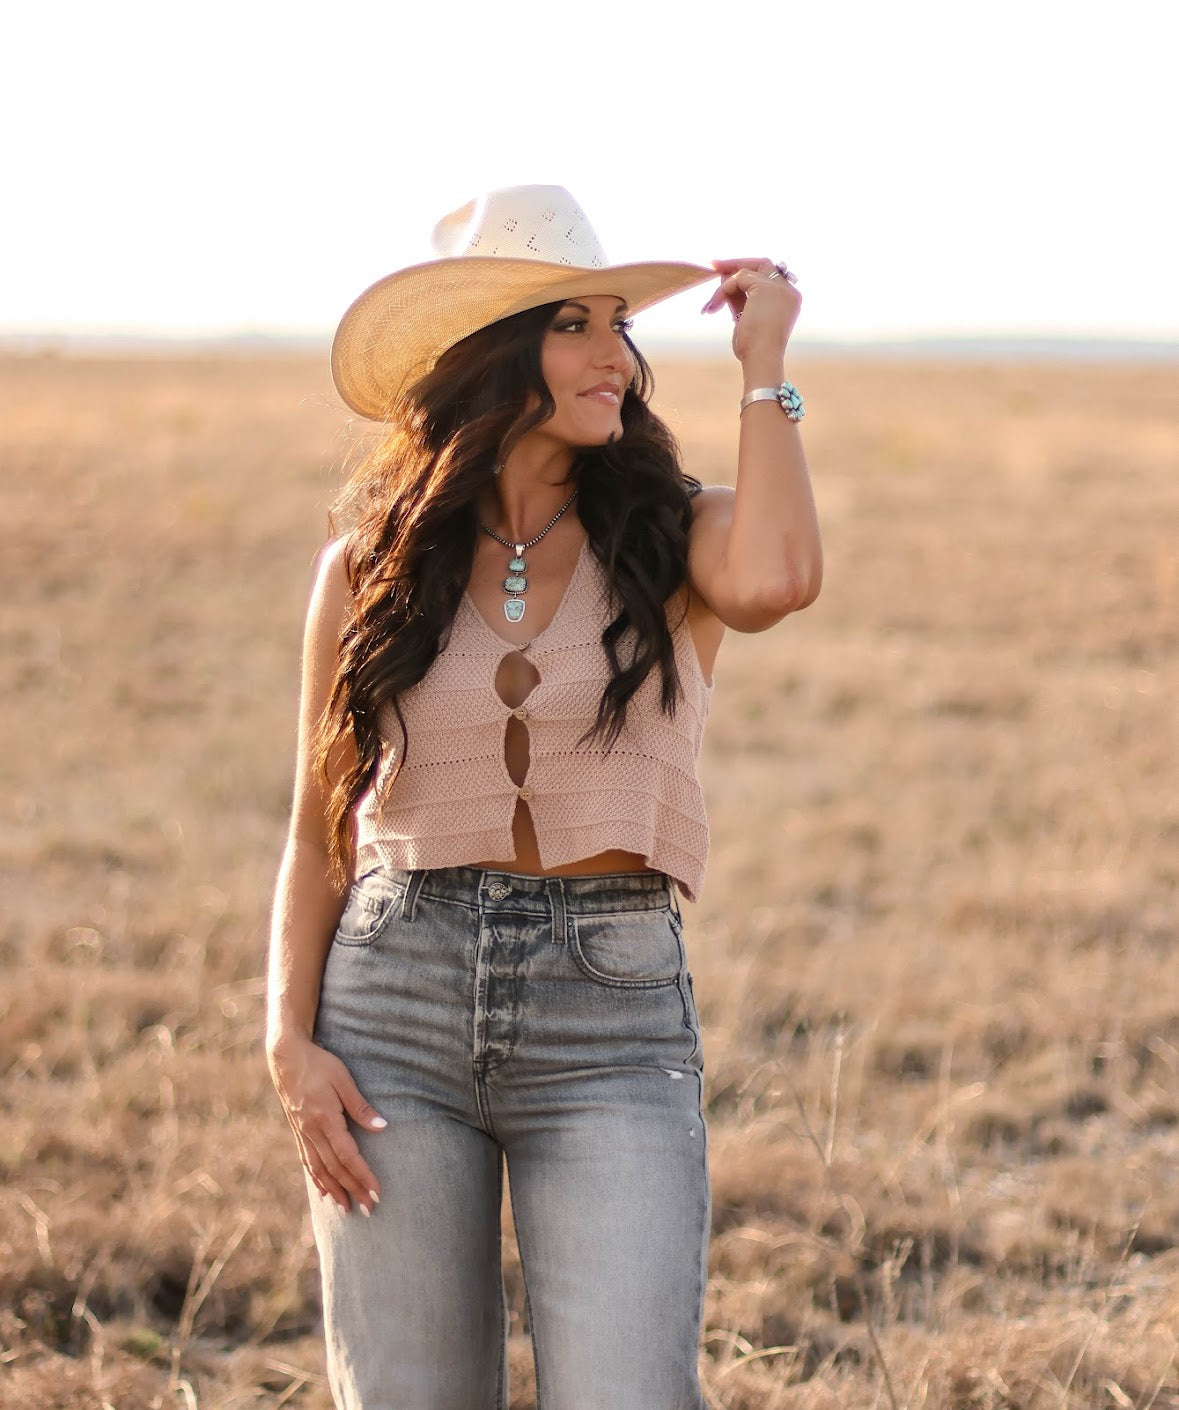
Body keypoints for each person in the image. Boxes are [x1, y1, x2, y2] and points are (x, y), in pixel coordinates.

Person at [266, 185, 821, 1410]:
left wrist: (766, 367)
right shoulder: (368, 566)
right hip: (390, 1008)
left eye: (619, 325)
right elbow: (319, 828)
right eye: (575, 325)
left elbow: (782, 576)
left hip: (607, 1019)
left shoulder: (672, 534)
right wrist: (287, 1041)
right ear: (494, 354)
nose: (614, 354)